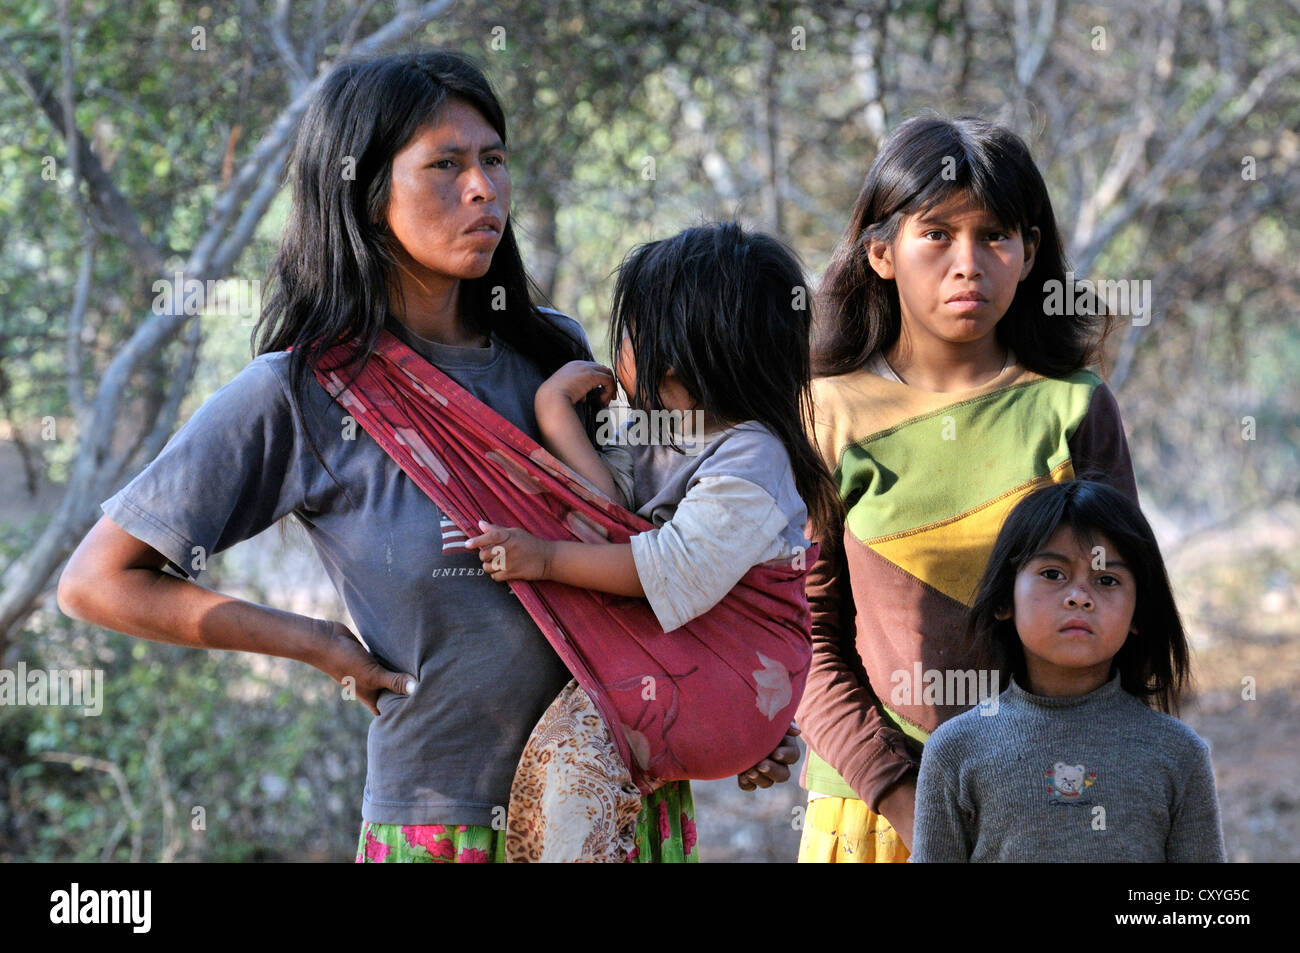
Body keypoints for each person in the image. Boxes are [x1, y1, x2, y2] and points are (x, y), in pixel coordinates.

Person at [55, 49, 794, 864]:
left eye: (494, 159)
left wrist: (729, 708)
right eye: (445, 164)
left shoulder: (554, 356)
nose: (483, 188)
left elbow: (659, 557)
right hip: (447, 823)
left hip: (618, 804)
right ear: (367, 197)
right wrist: (315, 643)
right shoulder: (303, 394)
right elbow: (97, 583)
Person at [795, 115, 1140, 862]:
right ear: (881, 251)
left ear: (1030, 252)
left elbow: (1120, 617)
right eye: (938, 234)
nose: (968, 263)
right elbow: (805, 636)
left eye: (995, 236)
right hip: (872, 814)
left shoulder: (1074, 406)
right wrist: (908, 802)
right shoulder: (827, 414)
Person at [464, 222, 841, 861]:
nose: (621, 347)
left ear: (677, 351)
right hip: (692, 677)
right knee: (565, 772)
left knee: (571, 764)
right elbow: (609, 515)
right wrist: (556, 413)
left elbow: (669, 568)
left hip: (732, 685)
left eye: (632, 329)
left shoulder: (751, 455)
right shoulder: (657, 433)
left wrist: (546, 557)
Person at [910, 480, 1225, 861]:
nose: (1080, 596)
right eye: (1053, 574)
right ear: (1004, 599)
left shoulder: (1178, 754)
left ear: (1138, 614)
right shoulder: (954, 751)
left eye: (1106, 580)